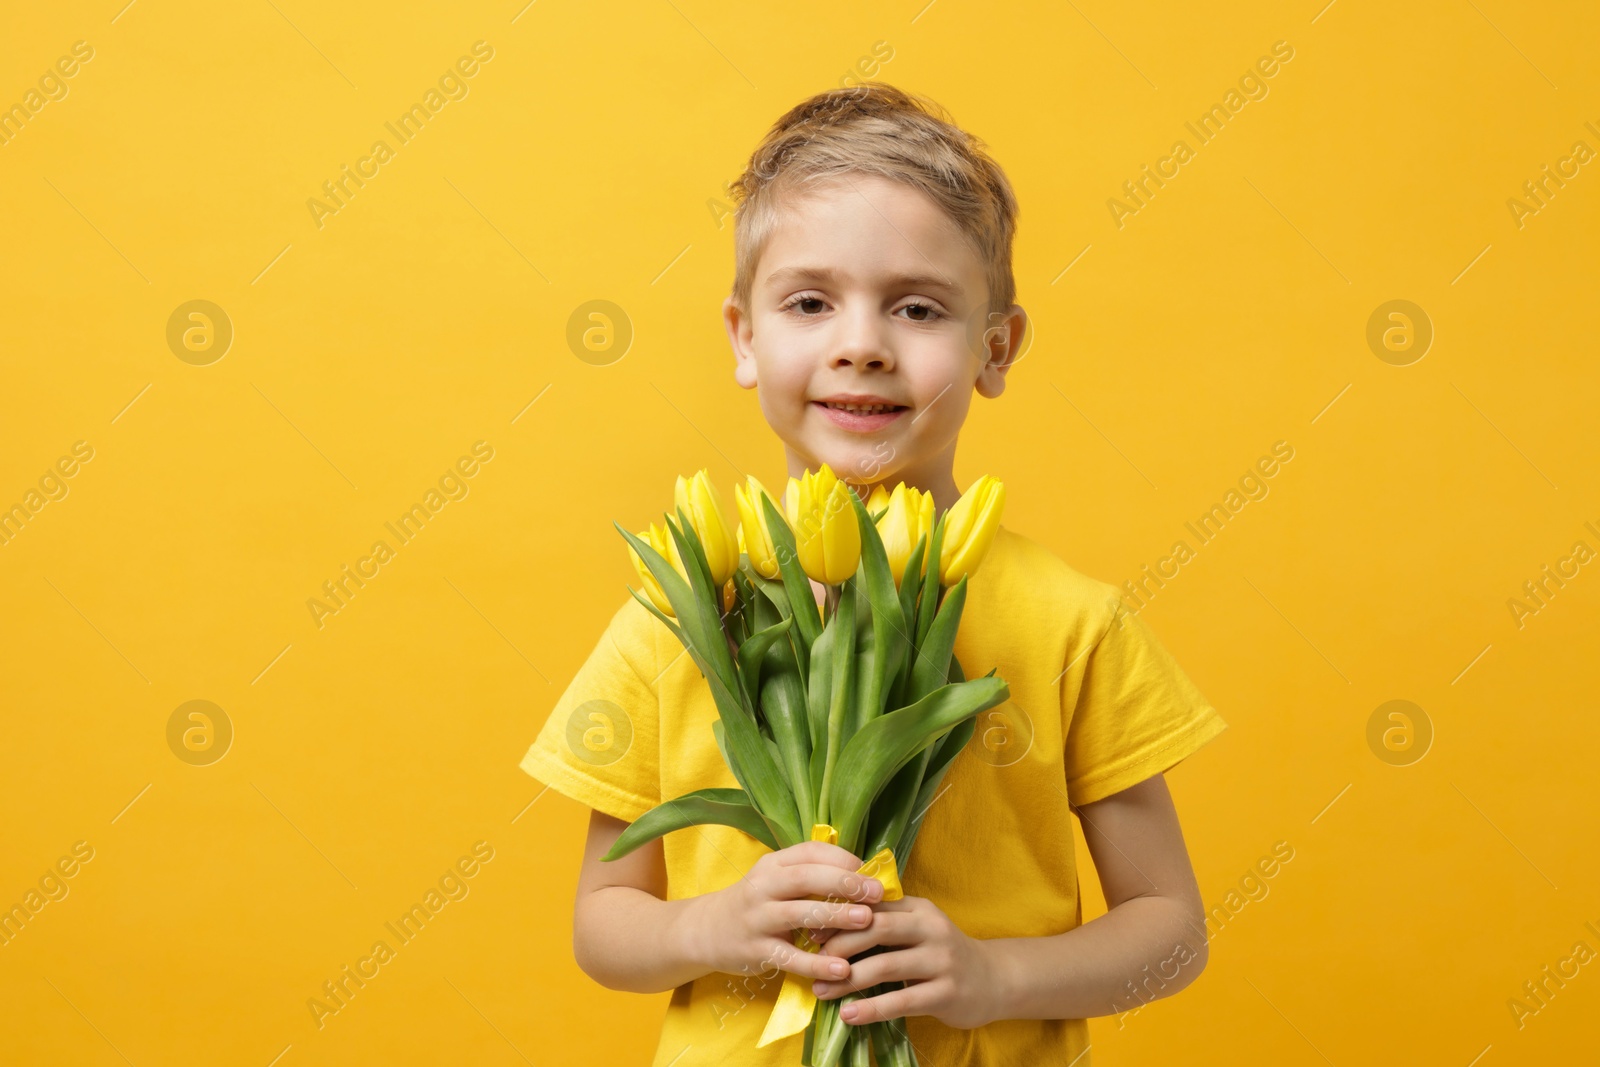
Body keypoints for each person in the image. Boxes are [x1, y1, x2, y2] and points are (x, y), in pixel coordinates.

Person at [519, 82, 1228, 1064]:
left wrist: (995, 977)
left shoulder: (1072, 622)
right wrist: (716, 924)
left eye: (916, 306)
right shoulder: (682, 610)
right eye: (809, 301)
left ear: (995, 346)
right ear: (743, 335)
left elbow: (1170, 933)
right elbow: (604, 926)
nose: (860, 344)